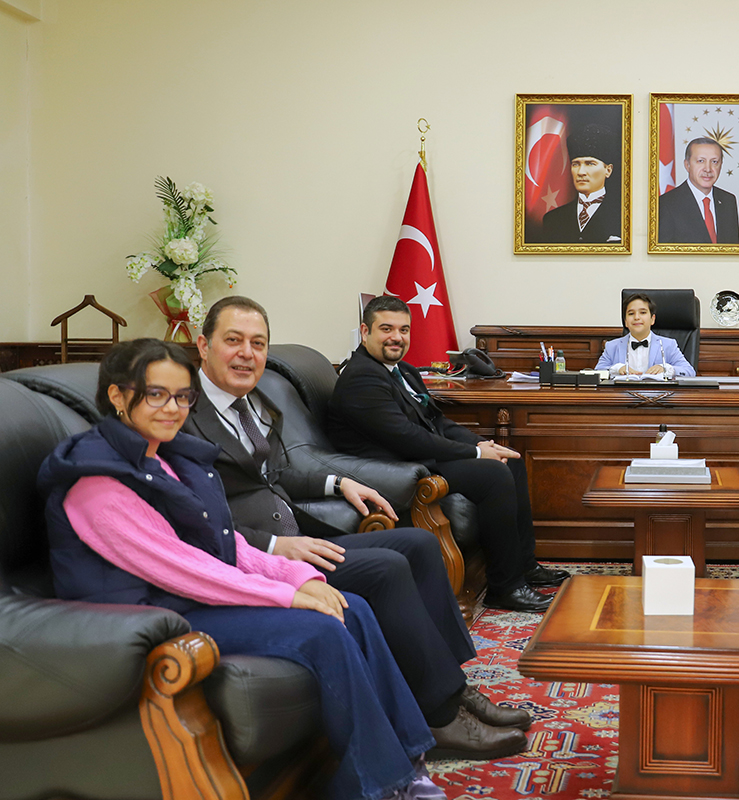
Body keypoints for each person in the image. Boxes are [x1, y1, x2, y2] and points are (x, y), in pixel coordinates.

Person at [38, 338, 448, 800]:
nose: (172, 408)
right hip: (150, 621)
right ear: (117, 395)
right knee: (322, 629)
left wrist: (299, 576)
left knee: (351, 608)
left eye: (183, 396)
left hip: (188, 601)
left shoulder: (162, 456)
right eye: (156, 394)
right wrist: (287, 596)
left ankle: (407, 761)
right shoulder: (96, 482)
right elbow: (185, 568)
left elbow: (221, 542)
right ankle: (379, 786)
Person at [185, 296, 528, 759]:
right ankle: (441, 719)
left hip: (300, 535)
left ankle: (453, 686)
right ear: (203, 345)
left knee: (419, 544)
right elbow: (190, 517)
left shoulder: (252, 403)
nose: (247, 353)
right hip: (260, 557)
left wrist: (337, 481)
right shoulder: (181, 415)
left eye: (258, 343)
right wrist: (272, 544)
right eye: (234, 340)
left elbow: (276, 474)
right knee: (386, 568)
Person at [327, 295, 569, 613]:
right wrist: (475, 453)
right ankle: (505, 587)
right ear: (365, 331)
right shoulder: (361, 377)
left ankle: (524, 566)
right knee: (494, 474)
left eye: (403, 329)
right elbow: (406, 438)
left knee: (508, 460)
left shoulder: (404, 371)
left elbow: (437, 422)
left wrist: (485, 446)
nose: (397, 337)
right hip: (395, 468)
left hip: (417, 456)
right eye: (386, 329)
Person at [539, 123, 622, 244]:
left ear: (608, 170)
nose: (581, 172)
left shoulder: (623, 216)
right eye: (576, 164)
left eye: (590, 164)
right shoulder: (552, 219)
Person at [657, 137, 739, 244]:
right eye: (701, 161)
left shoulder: (728, 201)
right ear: (687, 165)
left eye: (714, 162)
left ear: (721, 165)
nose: (708, 169)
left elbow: (734, 250)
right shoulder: (666, 204)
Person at [594, 293, 696, 378]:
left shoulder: (668, 345)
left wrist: (666, 368)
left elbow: (689, 372)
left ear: (652, 319)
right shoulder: (612, 346)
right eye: (631, 313)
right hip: (623, 395)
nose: (636, 317)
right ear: (625, 322)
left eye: (642, 312)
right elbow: (597, 373)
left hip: (659, 395)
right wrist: (617, 369)